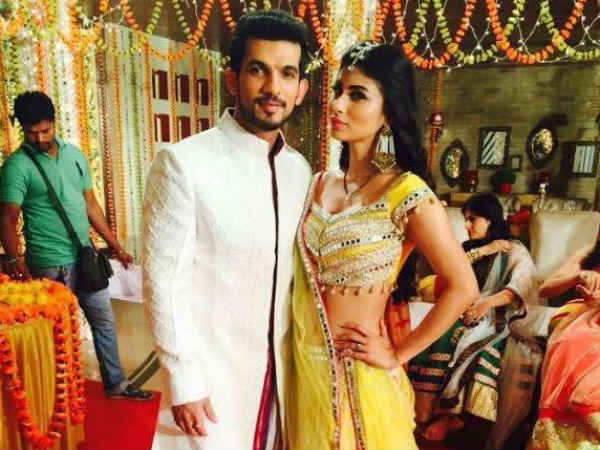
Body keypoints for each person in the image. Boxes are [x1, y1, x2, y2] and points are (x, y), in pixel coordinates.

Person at [284, 41, 479, 449]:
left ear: (388, 111)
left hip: (361, 378)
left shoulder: (407, 193)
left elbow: (464, 287)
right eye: (338, 91)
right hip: (301, 372)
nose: (337, 104)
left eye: (357, 95)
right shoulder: (317, 184)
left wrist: (397, 353)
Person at [142, 10, 311, 449]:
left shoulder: (299, 171)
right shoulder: (185, 163)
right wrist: (183, 379)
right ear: (233, 79)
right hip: (210, 385)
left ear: (301, 89)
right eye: (258, 70)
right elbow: (163, 281)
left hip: (279, 382)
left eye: (287, 73)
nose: (273, 87)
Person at [0, 91, 152, 400]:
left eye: (45, 130)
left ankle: (116, 384)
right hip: (49, 264)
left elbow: (91, 206)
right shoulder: (17, 166)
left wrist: (116, 246)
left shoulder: (74, 155)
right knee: (59, 334)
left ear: (54, 122)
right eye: (31, 132)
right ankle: (61, 398)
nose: (39, 138)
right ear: (22, 129)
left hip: (85, 258)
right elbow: (7, 219)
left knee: (104, 322)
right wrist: (16, 262)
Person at [409, 192, 539, 442]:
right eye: (465, 219)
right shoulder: (467, 250)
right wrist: (485, 250)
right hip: (458, 309)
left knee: (467, 345)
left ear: (491, 220)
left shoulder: (513, 248)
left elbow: (523, 285)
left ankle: (450, 416)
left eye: (473, 219)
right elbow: (446, 274)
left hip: (493, 315)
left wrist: (484, 304)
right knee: (432, 338)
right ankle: (423, 413)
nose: (467, 226)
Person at [528, 241, 600, 449]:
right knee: (575, 339)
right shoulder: (591, 249)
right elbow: (546, 289)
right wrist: (579, 276)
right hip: (585, 317)